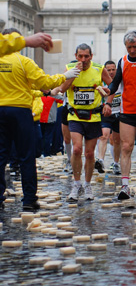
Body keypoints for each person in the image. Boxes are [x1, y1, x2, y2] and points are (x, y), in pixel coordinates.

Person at [0, 28, 78, 211]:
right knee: (27, 156)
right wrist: (64, 76)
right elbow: (43, 82)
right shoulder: (23, 61)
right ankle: (29, 199)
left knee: (1, 156)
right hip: (20, 111)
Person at [56, 43, 111, 202]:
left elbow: (113, 87)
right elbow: (62, 88)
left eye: (86, 56)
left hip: (93, 117)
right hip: (75, 116)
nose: (83, 59)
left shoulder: (99, 69)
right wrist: (74, 73)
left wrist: (107, 99)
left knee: (89, 153)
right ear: (76, 56)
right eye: (80, 56)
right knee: (77, 149)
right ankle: (76, 183)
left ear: (91, 56)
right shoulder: (70, 68)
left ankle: (87, 184)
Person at [107, 30, 136, 200]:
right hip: (128, 111)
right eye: (128, 47)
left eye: (134, 46)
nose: (132, 50)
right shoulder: (123, 61)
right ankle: (125, 185)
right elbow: (116, 83)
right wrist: (108, 96)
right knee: (126, 147)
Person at [100, 60, 122, 175]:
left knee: (116, 140)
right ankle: (101, 160)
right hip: (106, 113)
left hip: (119, 113)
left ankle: (116, 163)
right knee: (104, 135)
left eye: (113, 69)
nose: (111, 72)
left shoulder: (121, 82)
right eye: (109, 70)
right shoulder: (102, 82)